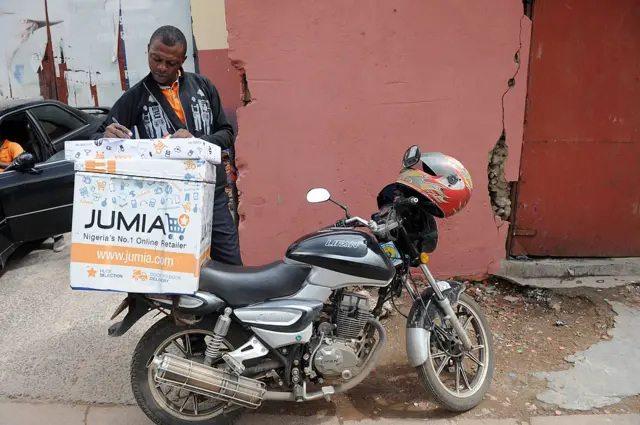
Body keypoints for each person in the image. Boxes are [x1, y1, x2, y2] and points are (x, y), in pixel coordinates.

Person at [94, 25, 241, 265]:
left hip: (212, 196)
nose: (162, 67)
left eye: (170, 63)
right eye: (156, 59)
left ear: (183, 60)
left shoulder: (203, 87)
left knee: (232, 266)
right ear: (148, 51)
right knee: (180, 271)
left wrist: (196, 143)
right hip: (164, 203)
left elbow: (226, 133)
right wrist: (106, 135)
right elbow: (97, 137)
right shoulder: (134, 98)